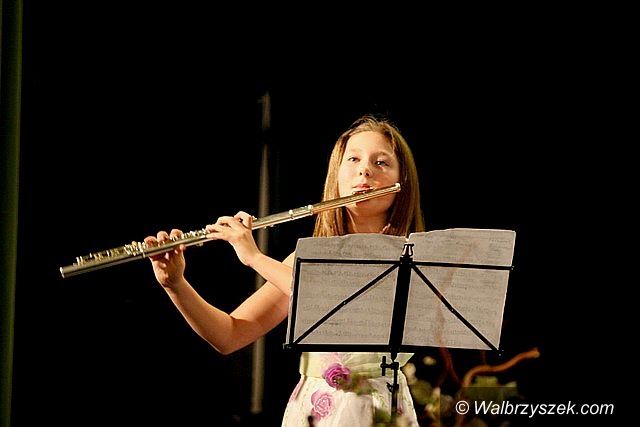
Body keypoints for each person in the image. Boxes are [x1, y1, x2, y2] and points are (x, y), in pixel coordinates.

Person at [144, 114, 425, 426]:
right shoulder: (307, 259)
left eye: (381, 162)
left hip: (377, 409)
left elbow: (334, 303)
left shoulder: (411, 259)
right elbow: (229, 335)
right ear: (336, 174)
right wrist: (175, 284)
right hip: (315, 410)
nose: (364, 170)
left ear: (402, 182)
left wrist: (253, 257)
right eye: (353, 159)